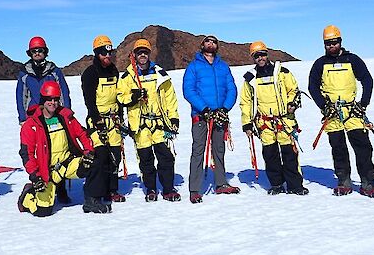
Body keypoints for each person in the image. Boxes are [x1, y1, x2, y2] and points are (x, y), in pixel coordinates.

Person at [308, 25, 374, 198]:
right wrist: (323, 105)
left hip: (352, 111)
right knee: (338, 147)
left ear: (340, 42)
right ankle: (343, 180)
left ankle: (368, 183)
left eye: (334, 42)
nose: (331, 46)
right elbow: (312, 86)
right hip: (332, 113)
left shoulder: (352, 60)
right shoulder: (320, 63)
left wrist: (363, 103)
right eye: (328, 43)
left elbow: (367, 80)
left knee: (363, 147)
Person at [18, 81, 101, 216]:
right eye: (49, 99)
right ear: (43, 100)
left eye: (56, 99)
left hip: (67, 164)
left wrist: (88, 151)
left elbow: (82, 133)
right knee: (43, 211)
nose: (53, 103)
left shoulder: (65, 117)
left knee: (94, 163)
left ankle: (91, 200)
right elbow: (27, 154)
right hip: (46, 172)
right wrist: (35, 176)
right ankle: (27, 196)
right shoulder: (31, 124)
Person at [116, 39, 181, 202]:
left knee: (166, 157)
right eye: (139, 53)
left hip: (159, 124)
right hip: (140, 126)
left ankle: (168, 189)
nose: (142, 55)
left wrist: (173, 118)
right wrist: (134, 96)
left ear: (149, 54)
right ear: (135, 55)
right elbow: (121, 97)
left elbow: (170, 97)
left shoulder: (160, 74)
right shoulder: (128, 77)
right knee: (145, 160)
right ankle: (151, 189)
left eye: (145, 52)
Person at [240, 41, 308, 195]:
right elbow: (246, 101)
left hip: (284, 121)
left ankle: (295, 185)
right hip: (264, 123)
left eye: (262, 54)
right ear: (253, 58)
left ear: (267, 54)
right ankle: (276, 184)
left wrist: (292, 103)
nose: (260, 58)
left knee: (289, 154)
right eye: (256, 56)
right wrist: (247, 123)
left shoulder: (282, 72)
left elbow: (293, 90)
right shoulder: (250, 78)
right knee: (270, 155)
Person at [183, 35, 239, 203]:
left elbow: (231, 88)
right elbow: (188, 90)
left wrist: (225, 108)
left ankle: (221, 183)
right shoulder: (193, 66)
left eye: (214, 42)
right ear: (202, 45)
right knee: (198, 150)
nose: (211, 44)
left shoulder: (223, 67)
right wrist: (204, 108)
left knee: (219, 150)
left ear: (217, 46)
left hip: (219, 115)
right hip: (201, 115)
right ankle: (194, 189)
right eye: (208, 41)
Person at [16, 35, 72, 204]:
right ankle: (40, 183)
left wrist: (66, 113)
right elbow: (21, 96)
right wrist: (23, 118)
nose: (37, 53)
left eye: (40, 50)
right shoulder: (24, 74)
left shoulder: (54, 71)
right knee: (40, 151)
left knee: (58, 149)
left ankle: (60, 189)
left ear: (45, 52)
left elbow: (64, 92)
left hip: (55, 115)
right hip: (35, 117)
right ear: (30, 53)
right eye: (34, 51)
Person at [81, 35, 126, 204]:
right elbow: (89, 101)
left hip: (113, 120)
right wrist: (97, 121)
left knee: (115, 155)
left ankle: (112, 190)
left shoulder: (114, 71)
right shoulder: (90, 73)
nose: (107, 57)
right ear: (96, 54)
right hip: (98, 119)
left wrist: (120, 117)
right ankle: (97, 192)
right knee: (101, 156)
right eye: (103, 53)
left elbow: (119, 97)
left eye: (109, 53)